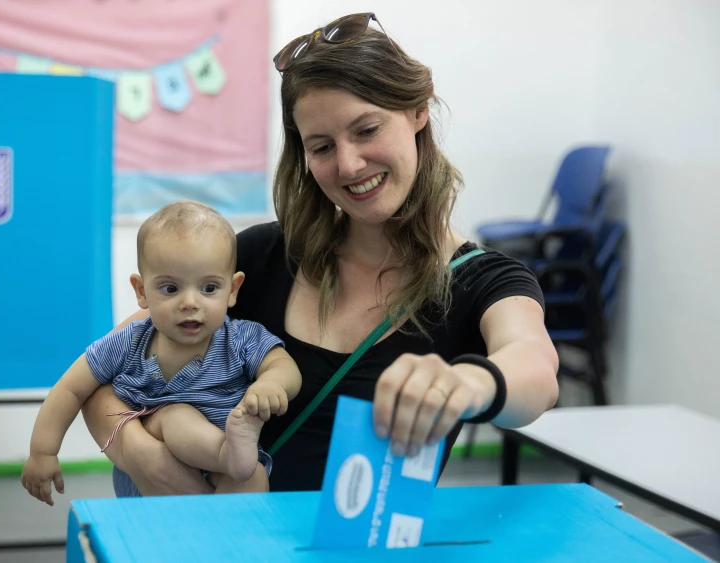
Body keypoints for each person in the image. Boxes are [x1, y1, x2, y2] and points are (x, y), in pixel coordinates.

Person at [82, 12, 559, 496]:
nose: (349, 164)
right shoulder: (259, 257)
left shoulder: (484, 281)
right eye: (322, 146)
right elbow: (100, 375)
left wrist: (470, 385)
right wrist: (143, 459)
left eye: (367, 129)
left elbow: (535, 371)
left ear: (418, 110)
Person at [21, 201, 302, 505]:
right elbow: (70, 388)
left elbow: (282, 364)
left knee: (253, 476)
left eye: (209, 288)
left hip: (226, 473)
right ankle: (226, 453)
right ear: (142, 291)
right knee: (176, 416)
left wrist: (271, 384)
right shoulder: (128, 344)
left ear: (233, 290)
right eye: (170, 289)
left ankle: (220, 537)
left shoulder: (240, 339)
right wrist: (43, 451)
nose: (190, 303)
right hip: (147, 482)